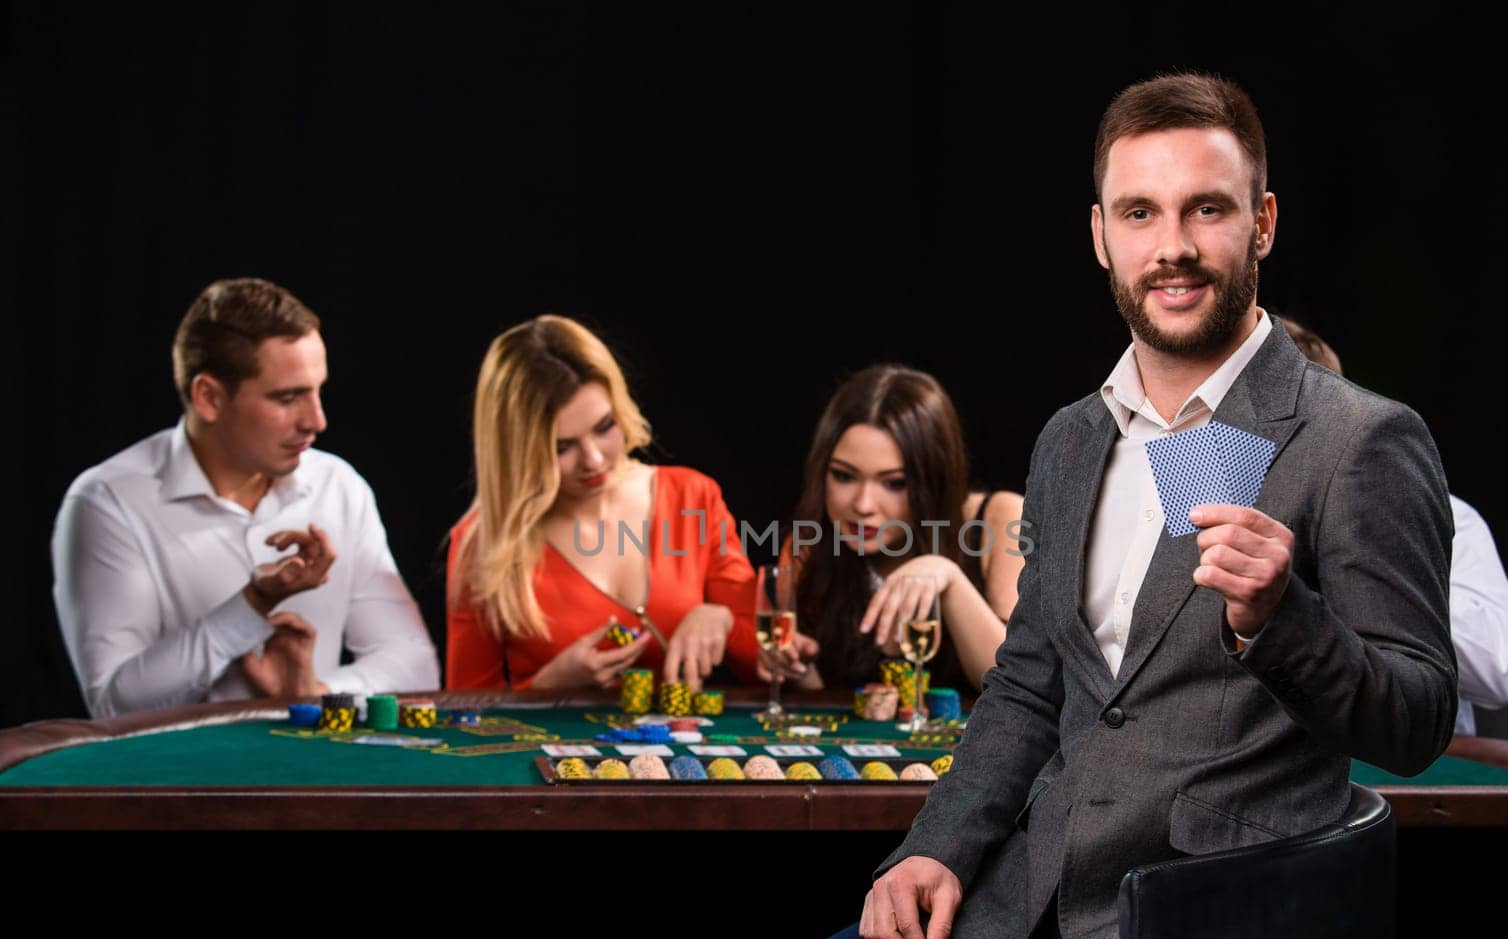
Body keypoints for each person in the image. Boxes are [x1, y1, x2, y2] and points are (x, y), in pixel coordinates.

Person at [661, 71, 1457, 939]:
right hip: (1020, 892)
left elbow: (1417, 717)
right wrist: (936, 847)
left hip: (1195, 922)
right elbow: (1029, 686)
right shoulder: (1073, 439)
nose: (1170, 246)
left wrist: (1279, 618)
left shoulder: (1360, 439)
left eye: (1204, 209)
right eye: (1140, 212)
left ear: (1260, 223)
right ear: (1099, 234)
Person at [52, 278, 439, 719]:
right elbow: (112, 704)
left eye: (318, 390)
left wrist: (315, 692)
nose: (317, 420)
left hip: (320, 780)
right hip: (181, 785)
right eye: (288, 397)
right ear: (209, 397)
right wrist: (252, 606)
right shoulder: (108, 502)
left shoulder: (339, 485)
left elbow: (417, 668)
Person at [446, 315, 761, 690]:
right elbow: (465, 710)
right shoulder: (480, 544)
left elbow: (768, 663)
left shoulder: (692, 496)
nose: (593, 460)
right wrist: (550, 685)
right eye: (560, 447)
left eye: (604, 427)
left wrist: (721, 617)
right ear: (516, 452)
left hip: (677, 747)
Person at [1278, 315, 1508, 737]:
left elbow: (1501, 674)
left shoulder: (1442, 516)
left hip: (1411, 776)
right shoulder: (1167, 512)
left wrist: (1374, 548)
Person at [773, 364, 1024, 693]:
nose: (863, 504)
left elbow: (1018, 688)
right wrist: (795, 667)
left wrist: (948, 578)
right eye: (844, 476)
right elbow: (822, 699)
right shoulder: (808, 544)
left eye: (893, 483)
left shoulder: (1000, 518)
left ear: (934, 478)